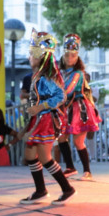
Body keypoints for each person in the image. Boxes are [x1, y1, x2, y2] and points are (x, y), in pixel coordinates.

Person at [19, 30, 75, 205]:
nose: (29, 57)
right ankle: (41, 190)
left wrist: (40, 107)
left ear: (41, 56)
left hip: (47, 119)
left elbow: (60, 97)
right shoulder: (37, 75)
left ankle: (67, 188)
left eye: (32, 53)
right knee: (30, 153)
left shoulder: (47, 75)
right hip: (39, 119)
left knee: (44, 156)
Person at [57, 34, 100, 180]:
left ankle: (87, 171)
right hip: (66, 108)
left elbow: (68, 91)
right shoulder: (61, 73)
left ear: (77, 57)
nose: (70, 58)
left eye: (73, 55)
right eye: (67, 55)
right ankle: (70, 167)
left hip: (78, 109)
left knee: (78, 141)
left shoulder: (78, 73)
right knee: (61, 137)